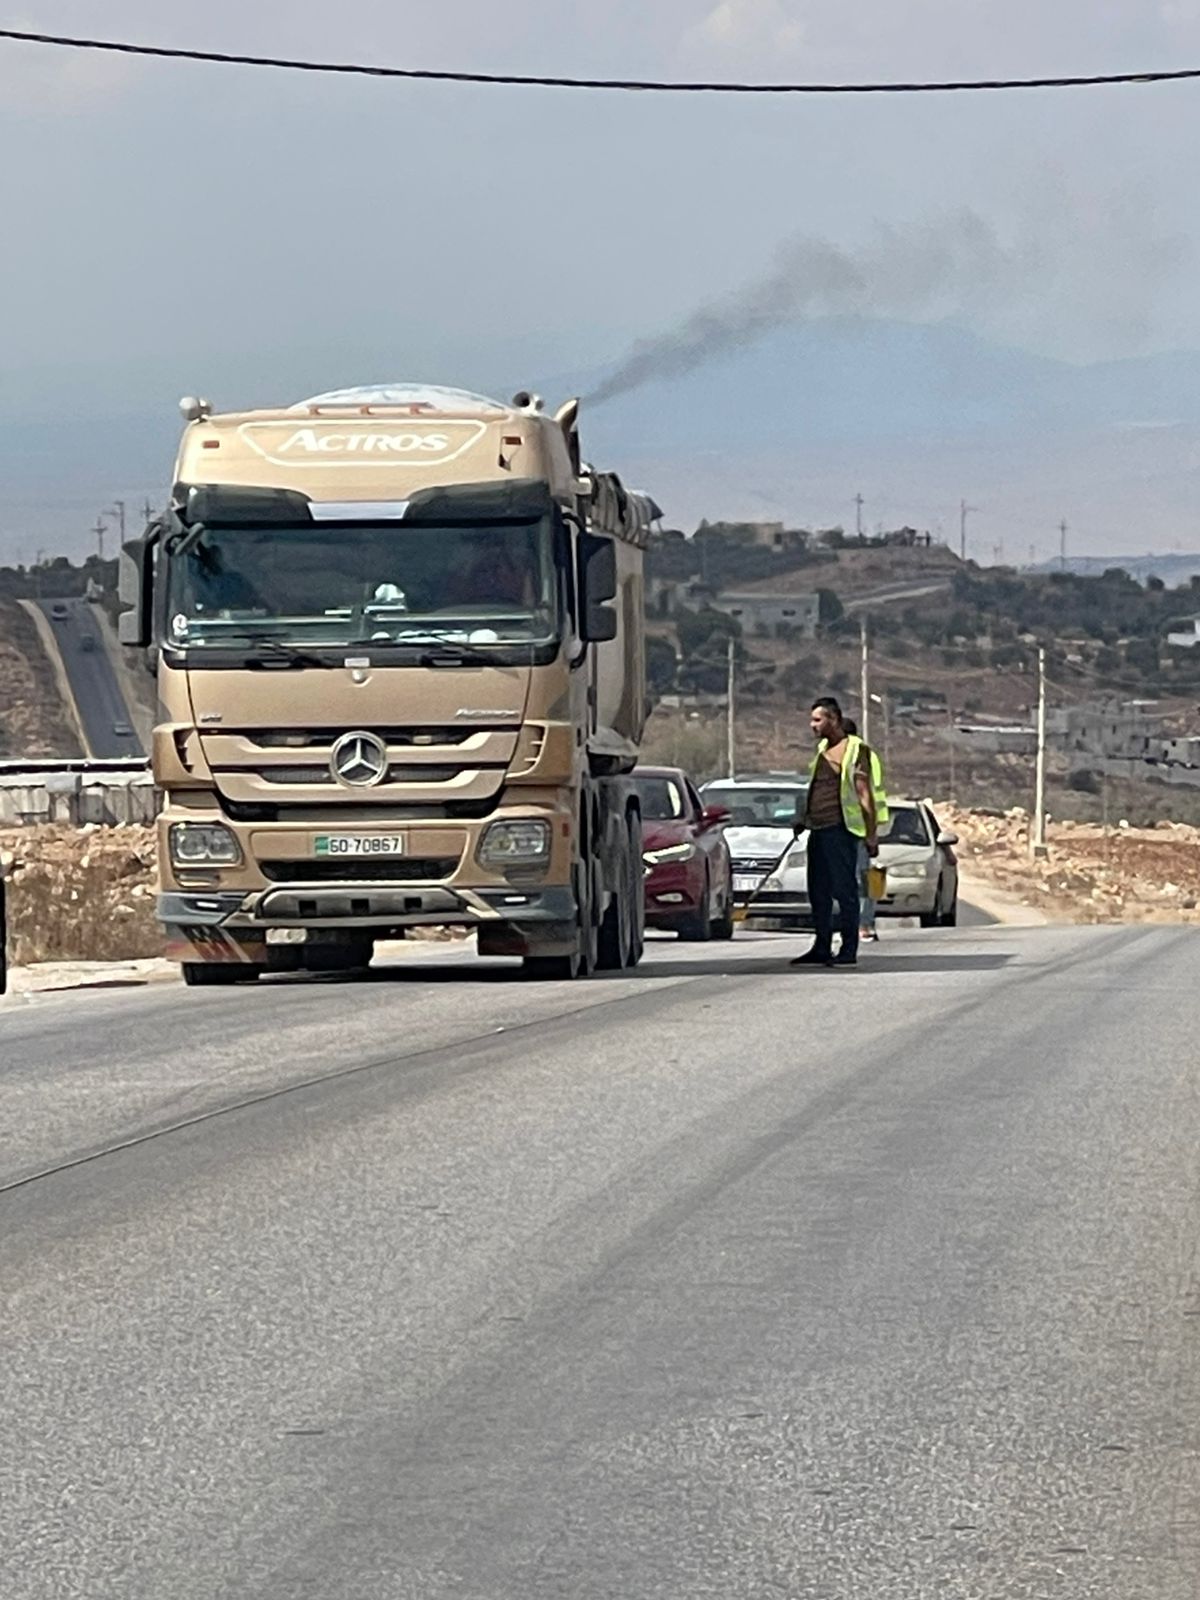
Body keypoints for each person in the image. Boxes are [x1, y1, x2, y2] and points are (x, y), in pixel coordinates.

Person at [791, 697, 878, 968]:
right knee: (819, 891)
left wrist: (871, 834)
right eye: (812, 720)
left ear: (835, 720)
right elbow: (818, 789)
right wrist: (804, 818)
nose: (812, 725)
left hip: (840, 830)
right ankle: (821, 946)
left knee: (845, 891)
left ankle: (848, 949)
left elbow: (865, 795)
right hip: (818, 829)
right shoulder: (822, 750)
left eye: (818, 720)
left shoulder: (854, 749)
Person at [843, 718, 883, 942]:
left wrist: (870, 833)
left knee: (860, 879)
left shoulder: (857, 754)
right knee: (856, 879)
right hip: (852, 826)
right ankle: (859, 924)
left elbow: (865, 793)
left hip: (857, 827)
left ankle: (863, 924)